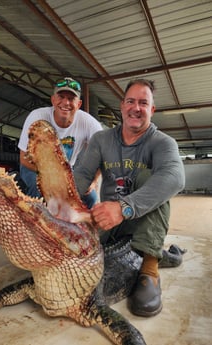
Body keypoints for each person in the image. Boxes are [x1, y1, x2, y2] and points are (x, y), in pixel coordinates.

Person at [73, 79, 185, 317]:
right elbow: (82, 174)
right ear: (122, 106)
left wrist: (124, 207)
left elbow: (175, 177)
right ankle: (162, 253)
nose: (136, 108)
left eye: (143, 103)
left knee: (150, 177)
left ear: (152, 110)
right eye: (131, 101)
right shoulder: (101, 140)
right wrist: (62, 205)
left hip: (143, 221)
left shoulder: (162, 143)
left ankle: (150, 269)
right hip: (108, 224)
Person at [18, 77, 102, 208]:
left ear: (78, 104)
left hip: (67, 174)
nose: (65, 102)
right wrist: (52, 178)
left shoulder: (88, 123)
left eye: (71, 99)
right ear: (53, 100)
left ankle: (77, 228)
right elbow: (23, 158)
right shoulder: (37, 117)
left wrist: (94, 181)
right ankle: (34, 225)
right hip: (34, 168)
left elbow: (104, 154)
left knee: (90, 198)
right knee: (41, 193)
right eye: (61, 97)